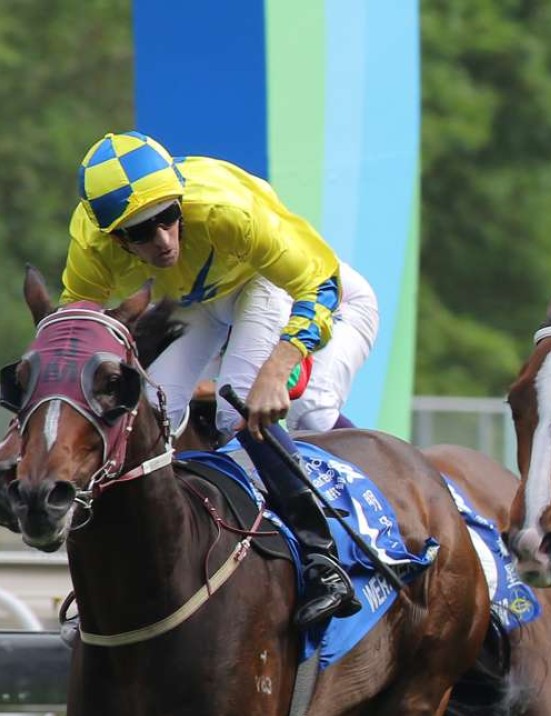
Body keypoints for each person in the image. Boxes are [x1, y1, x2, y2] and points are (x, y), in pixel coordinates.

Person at [67, 130, 380, 627]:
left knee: (257, 410)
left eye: (169, 217)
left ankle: (325, 558)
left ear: (180, 201)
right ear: (113, 238)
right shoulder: (90, 245)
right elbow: (75, 332)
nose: (163, 241)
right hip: (207, 302)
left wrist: (277, 369)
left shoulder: (223, 210)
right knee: (148, 410)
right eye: (141, 233)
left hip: (285, 287)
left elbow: (319, 284)